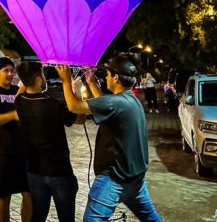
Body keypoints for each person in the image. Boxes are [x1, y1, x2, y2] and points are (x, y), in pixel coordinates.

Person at [59, 54, 163, 222]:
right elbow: (105, 105)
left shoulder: (115, 102)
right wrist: (91, 82)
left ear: (115, 77)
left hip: (114, 179)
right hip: (135, 179)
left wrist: (65, 81)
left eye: (107, 75)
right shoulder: (131, 100)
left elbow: (74, 106)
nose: (106, 78)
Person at [15, 61, 78, 222]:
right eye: (42, 75)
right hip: (59, 172)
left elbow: (21, 90)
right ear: (37, 79)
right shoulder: (53, 105)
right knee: (66, 218)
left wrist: (25, 76)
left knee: (37, 217)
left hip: (34, 171)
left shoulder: (20, 102)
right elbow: (79, 117)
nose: (45, 79)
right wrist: (68, 84)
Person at [0, 57, 31, 222]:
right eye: (6, 71)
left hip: (21, 148)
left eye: (12, 71)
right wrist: (13, 115)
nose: (10, 74)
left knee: (28, 191)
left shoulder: (16, 91)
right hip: (1, 149)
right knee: (5, 195)